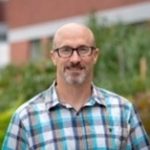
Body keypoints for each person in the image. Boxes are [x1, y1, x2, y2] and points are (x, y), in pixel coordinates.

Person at [2, 23, 150, 150]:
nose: (75, 59)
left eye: (83, 49)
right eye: (66, 50)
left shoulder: (123, 112)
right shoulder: (26, 118)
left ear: (95, 55)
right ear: (54, 57)